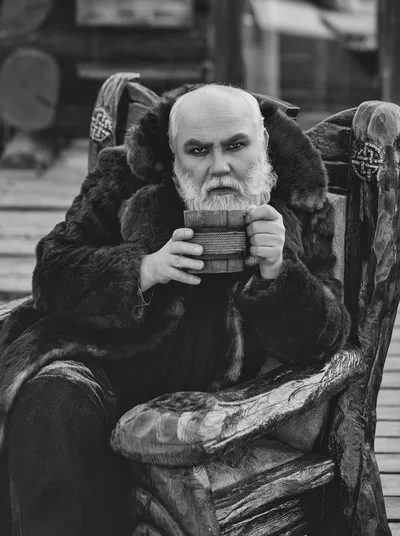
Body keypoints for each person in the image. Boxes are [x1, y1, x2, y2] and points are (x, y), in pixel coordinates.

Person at [0, 84, 350, 535]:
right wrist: (142, 270)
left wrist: (279, 271)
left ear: (262, 143)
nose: (220, 167)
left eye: (236, 146)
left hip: (205, 403)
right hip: (103, 367)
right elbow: (52, 271)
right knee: (50, 408)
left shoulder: (297, 205)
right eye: (198, 150)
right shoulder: (125, 181)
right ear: (173, 155)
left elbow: (327, 333)